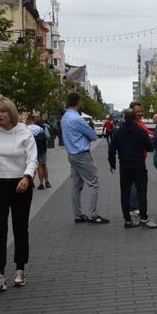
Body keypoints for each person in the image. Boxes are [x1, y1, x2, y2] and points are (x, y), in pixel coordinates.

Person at [0, 98, 38, 291]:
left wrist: (27, 176)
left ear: (12, 113)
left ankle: (20, 268)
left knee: (20, 227)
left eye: (3, 111)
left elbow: (33, 158)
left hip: (20, 185)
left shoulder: (25, 133)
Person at [61, 92, 110, 224]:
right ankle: (93, 215)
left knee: (76, 186)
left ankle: (78, 215)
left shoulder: (65, 117)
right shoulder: (77, 119)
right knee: (94, 183)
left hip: (71, 154)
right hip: (82, 154)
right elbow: (93, 136)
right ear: (78, 102)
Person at [108, 107, 157, 229]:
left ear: (124, 118)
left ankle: (128, 220)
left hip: (124, 165)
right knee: (141, 192)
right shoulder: (140, 131)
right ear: (135, 118)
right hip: (138, 164)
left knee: (125, 193)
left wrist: (112, 164)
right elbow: (150, 148)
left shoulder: (118, 132)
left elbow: (111, 150)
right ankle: (144, 219)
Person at [26, 114, 50, 190]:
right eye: (35, 117)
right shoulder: (42, 128)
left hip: (30, 150)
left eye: (37, 116)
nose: (36, 118)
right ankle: (42, 183)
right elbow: (48, 137)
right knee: (41, 166)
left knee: (30, 166)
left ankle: (31, 182)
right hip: (41, 150)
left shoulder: (26, 129)